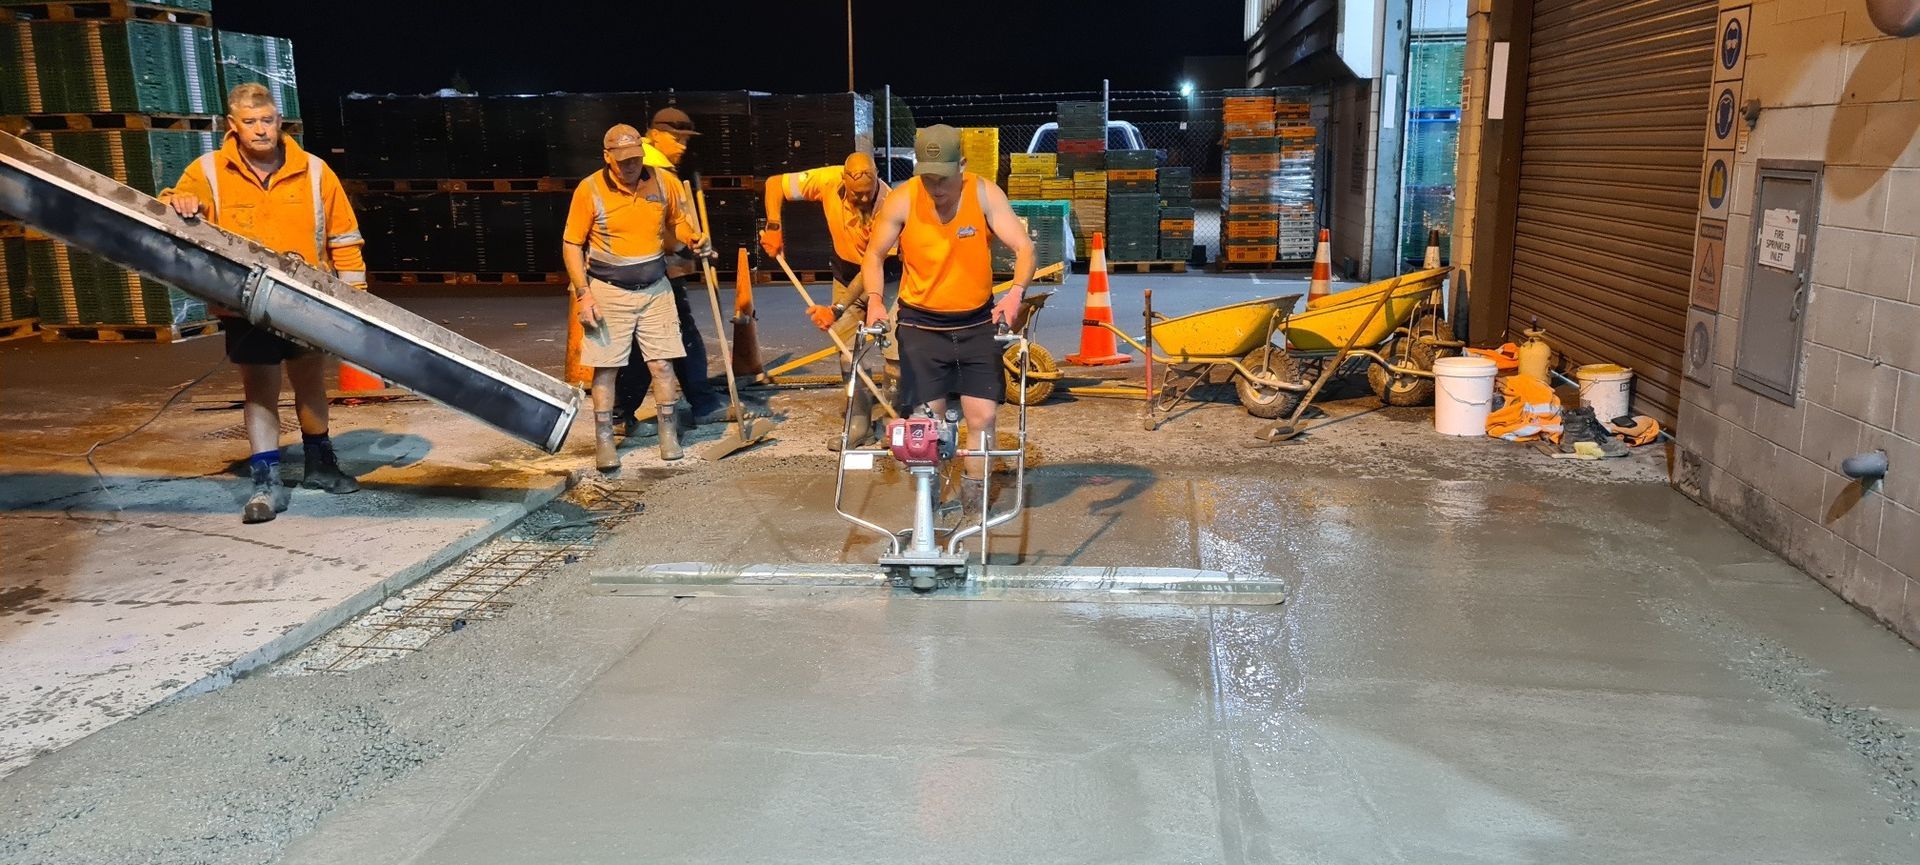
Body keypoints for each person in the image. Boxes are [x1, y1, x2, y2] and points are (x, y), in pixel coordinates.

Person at [161, 83, 366, 525]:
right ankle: (266, 478)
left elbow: (344, 237)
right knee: (260, 389)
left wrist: (356, 302)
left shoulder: (314, 171)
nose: (260, 130)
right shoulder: (209, 172)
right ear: (233, 125)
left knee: (310, 381)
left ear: (279, 121)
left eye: (267, 120)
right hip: (245, 304)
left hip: (309, 300)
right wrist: (179, 200)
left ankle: (320, 465)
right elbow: (165, 210)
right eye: (250, 122)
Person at [859, 125, 1034, 509]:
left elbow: (1023, 247)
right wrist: (874, 299)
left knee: (983, 417)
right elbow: (873, 255)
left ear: (963, 166)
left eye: (944, 178)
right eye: (928, 177)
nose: (936, 187)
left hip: (976, 323)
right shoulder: (903, 200)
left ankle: (974, 500)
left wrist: (1016, 293)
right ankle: (929, 500)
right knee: (927, 424)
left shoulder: (985, 194)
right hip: (921, 324)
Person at [562, 123, 708, 469]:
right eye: (623, 160)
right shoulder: (590, 190)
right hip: (607, 290)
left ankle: (668, 434)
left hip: (656, 289)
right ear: (607, 157)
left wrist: (694, 238)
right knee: (607, 368)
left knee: (662, 363)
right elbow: (572, 244)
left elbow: (678, 223)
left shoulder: (663, 182)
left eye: (635, 158)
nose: (631, 166)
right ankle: (605, 441)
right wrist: (584, 294)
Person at [759, 151, 895, 448]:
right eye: (855, 194)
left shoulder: (889, 204)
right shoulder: (828, 181)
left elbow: (871, 266)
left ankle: (895, 425)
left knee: (894, 352)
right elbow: (774, 184)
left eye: (866, 194)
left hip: (885, 281)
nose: (861, 200)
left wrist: (836, 308)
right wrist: (773, 226)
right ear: (844, 181)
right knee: (848, 351)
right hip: (845, 274)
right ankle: (860, 423)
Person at [610, 107, 727, 435]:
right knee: (662, 342)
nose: (682, 146)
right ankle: (699, 405)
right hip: (650, 274)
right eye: (676, 138)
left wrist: (694, 243)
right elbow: (657, 230)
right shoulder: (654, 171)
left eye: (686, 140)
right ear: (654, 134)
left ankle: (624, 414)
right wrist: (686, 248)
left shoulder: (656, 169)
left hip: (643, 272)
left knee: (664, 340)